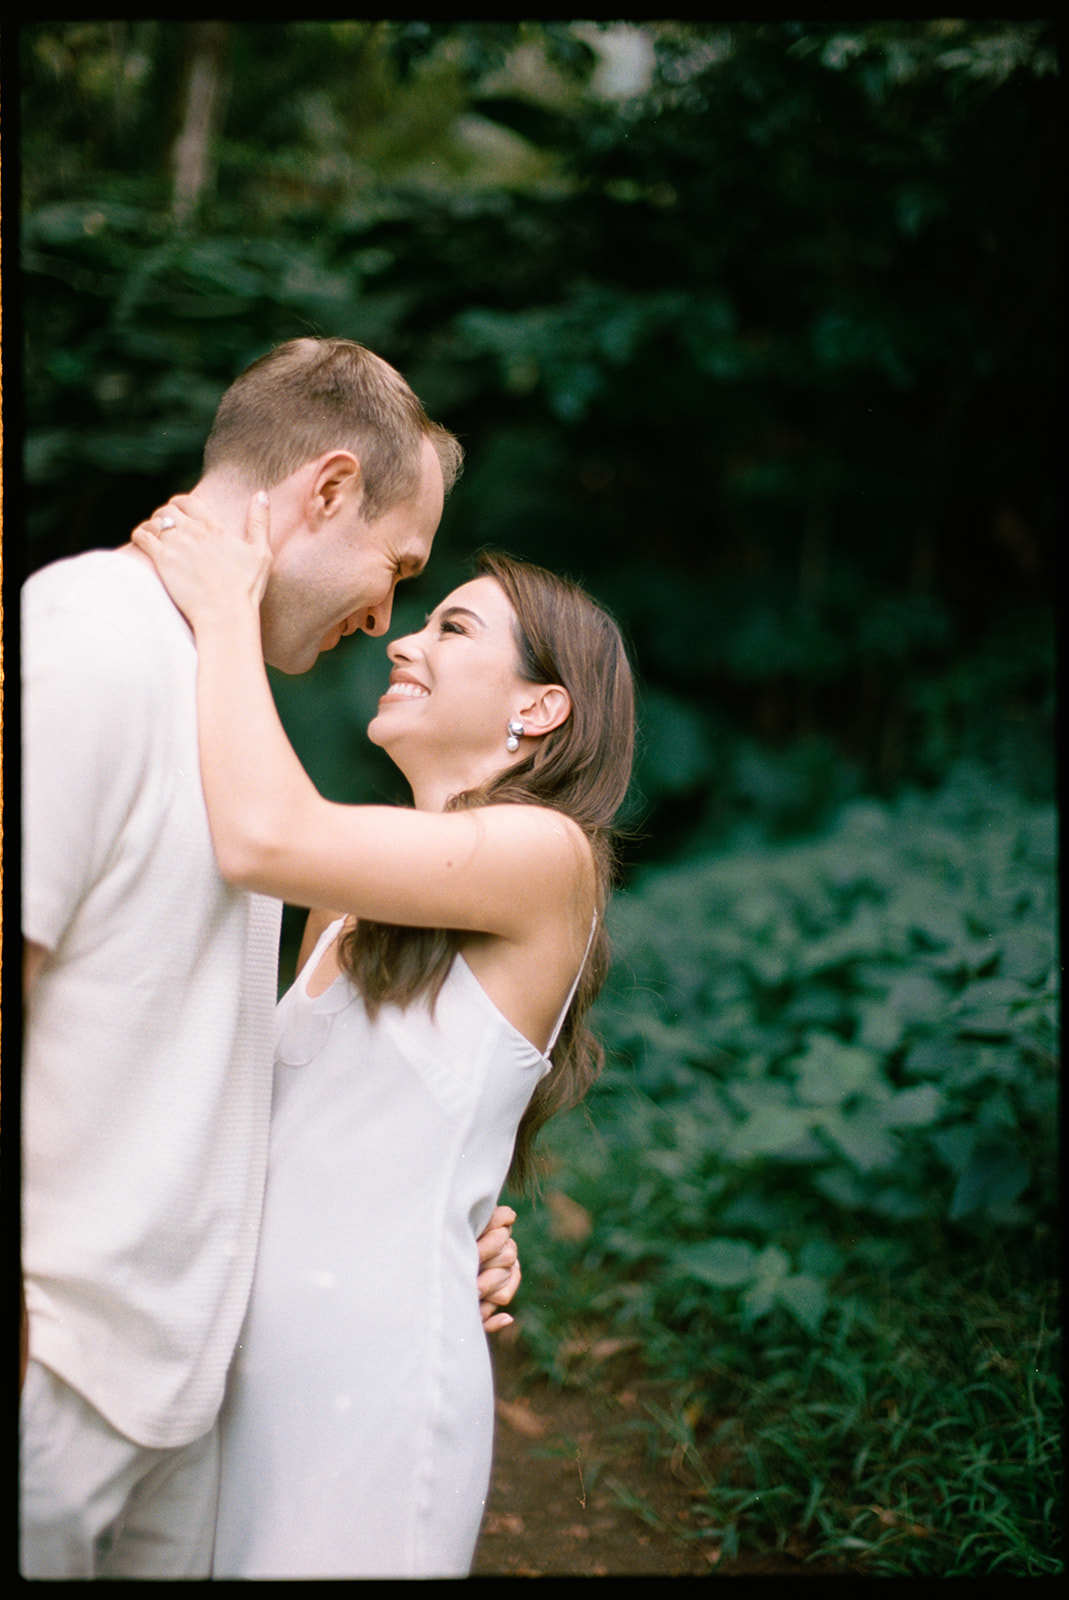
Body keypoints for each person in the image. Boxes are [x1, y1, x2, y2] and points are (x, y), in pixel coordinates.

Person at [19, 337, 520, 1581]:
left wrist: (439, 1211)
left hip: (192, 1393)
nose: (385, 620)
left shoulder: (222, 693)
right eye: (401, 569)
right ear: (326, 491)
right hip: (59, 1371)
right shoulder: (84, 639)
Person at [129, 489, 635, 1578]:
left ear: (542, 709)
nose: (404, 638)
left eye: (452, 626)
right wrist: (463, 1215)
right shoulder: (347, 897)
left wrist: (229, 613)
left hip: (373, 1379)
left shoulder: (550, 855)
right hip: (237, 1365)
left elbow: (260, 832)